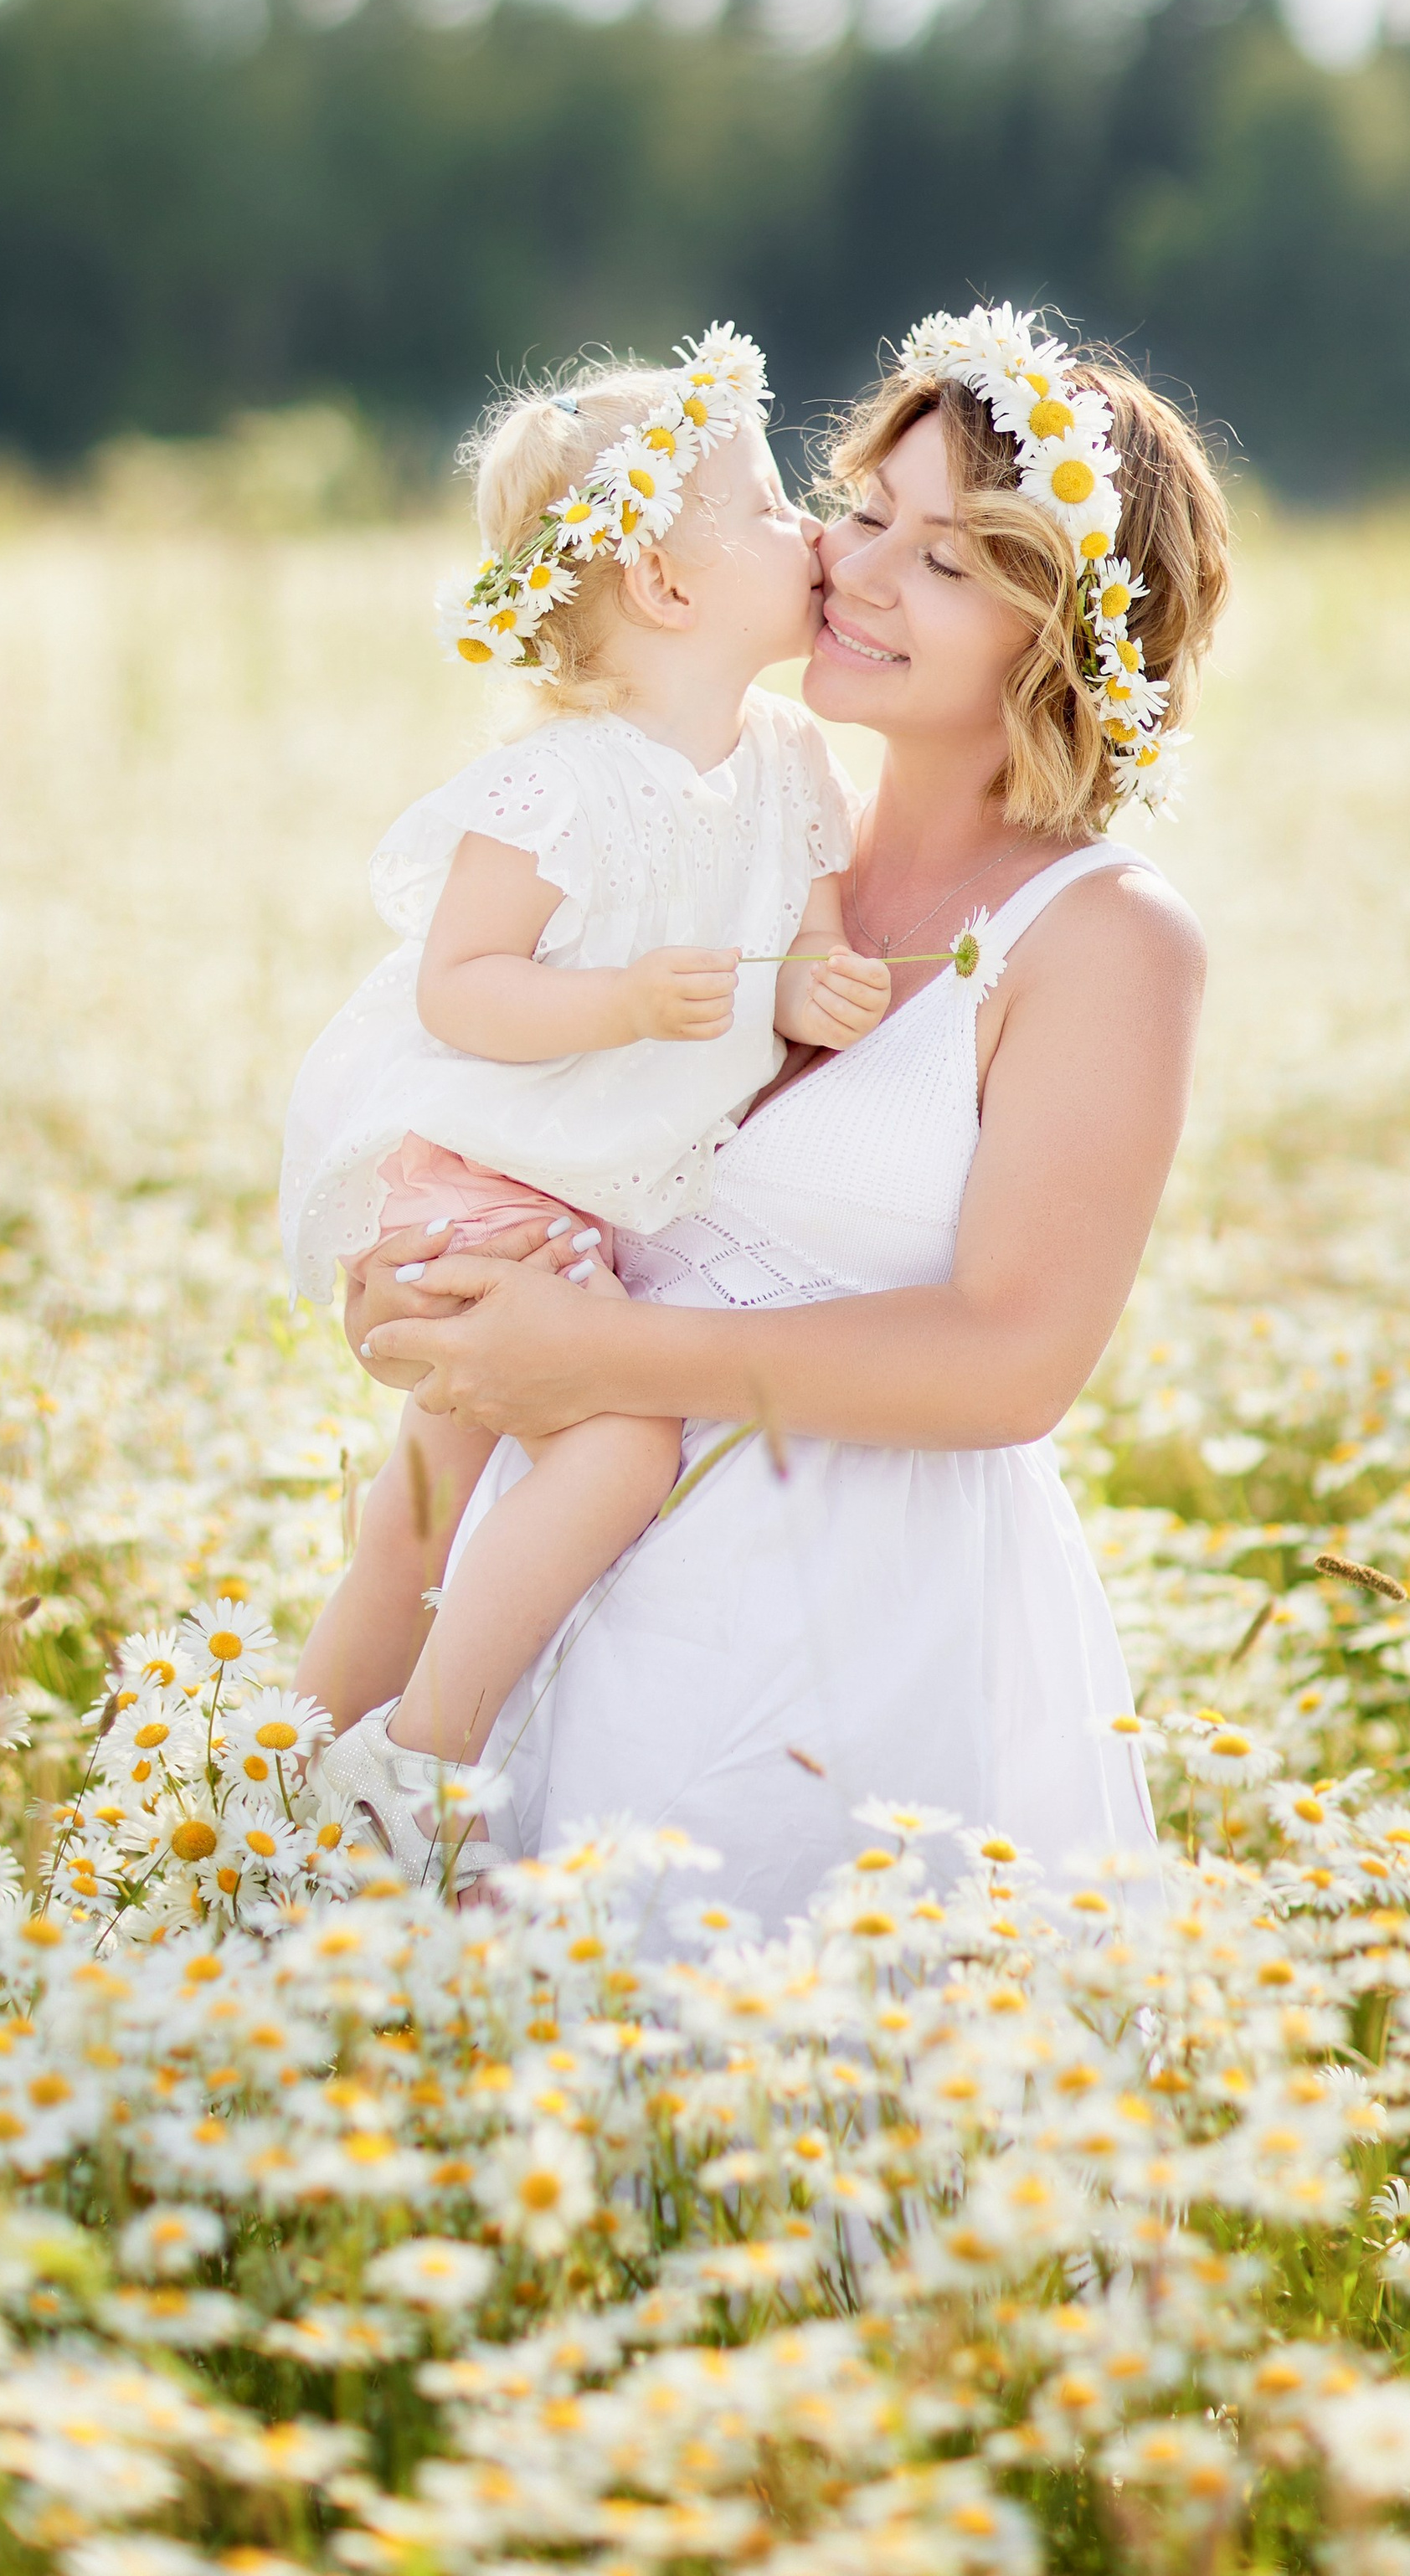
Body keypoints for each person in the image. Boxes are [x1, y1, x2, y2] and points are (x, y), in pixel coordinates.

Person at [342, 304, 1230, 1927]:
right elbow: (510, 1105)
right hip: (553, 1608)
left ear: (1066, 634)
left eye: (946, 561)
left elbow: (1011, 1363)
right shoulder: (723, 816)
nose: (852, 566)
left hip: (857, 1658)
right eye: (860, 509)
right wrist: (422, 1287)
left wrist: (598, 1361)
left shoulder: (1103, 939)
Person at [286, 326, 888, 1871]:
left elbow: (809, 935)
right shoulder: (560, 784)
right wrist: (615, 1004)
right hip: (492, 1172)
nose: (813, 530)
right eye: (768, 506)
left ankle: (287, 1784)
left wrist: (814, 982)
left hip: (601, 1201)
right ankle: (419, 1765)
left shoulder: (791, 764)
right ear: (670, 589)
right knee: (596, 1450)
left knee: (430, 1476)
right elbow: (461, 986)